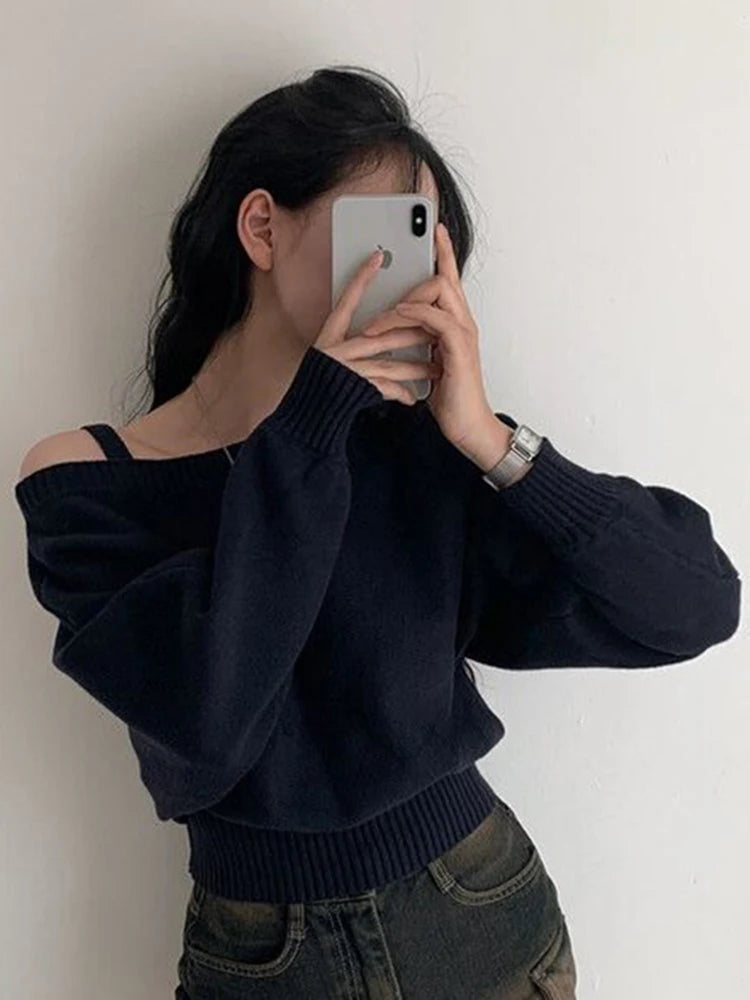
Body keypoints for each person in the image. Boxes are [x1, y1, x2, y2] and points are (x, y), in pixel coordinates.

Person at [13, 65, 740, 999]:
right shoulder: (89, 482)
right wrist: (311, 421)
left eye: (424, 239)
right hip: (264, 960)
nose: (407, 267)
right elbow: (210, 719)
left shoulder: (417, 449)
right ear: (262, 227)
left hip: (478, 917)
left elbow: (695, 606)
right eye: (384, 229)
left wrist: (490, 440)